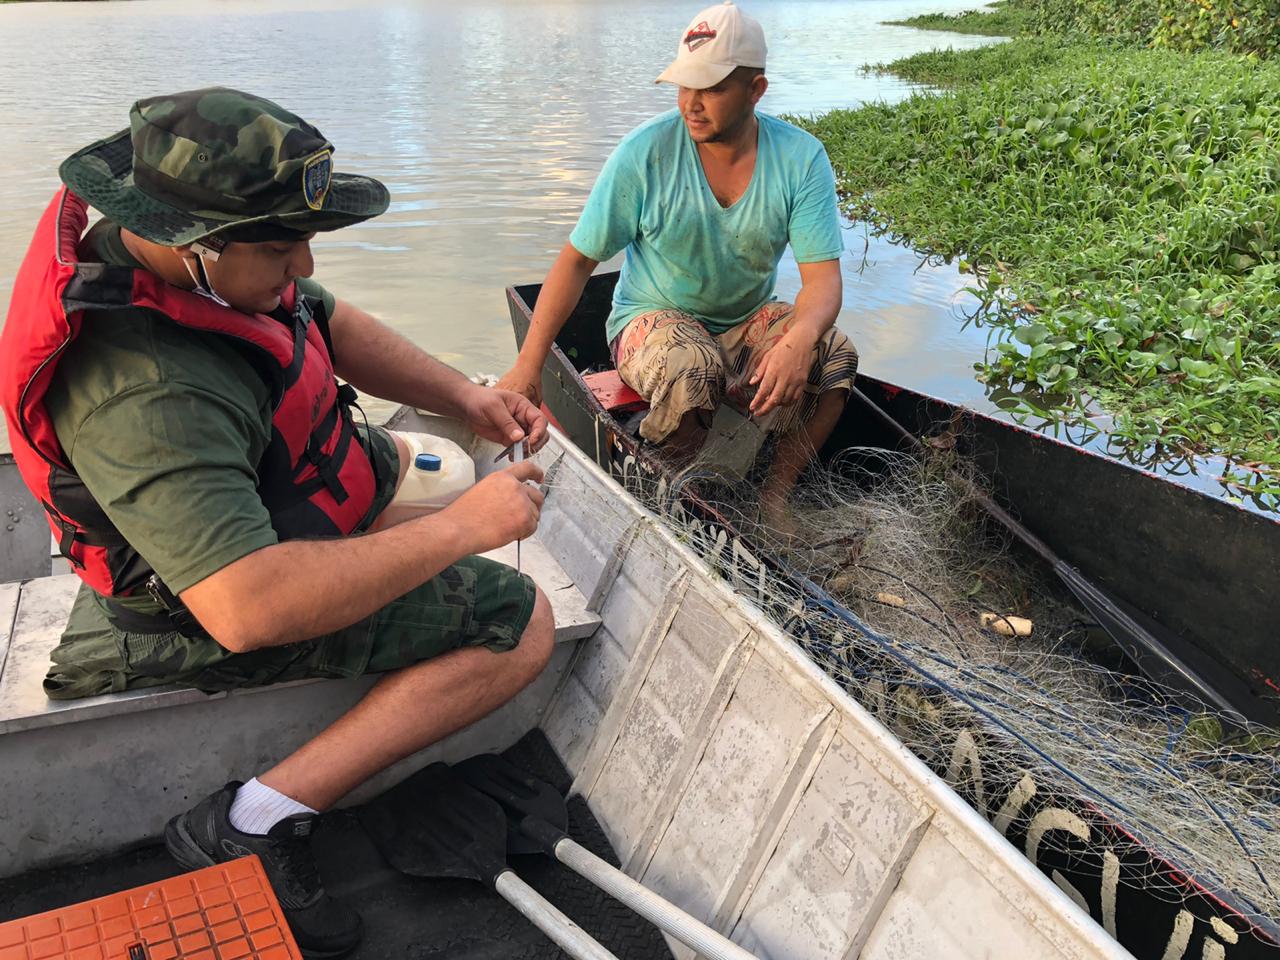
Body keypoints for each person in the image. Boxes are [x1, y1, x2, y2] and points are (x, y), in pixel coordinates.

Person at [0, 88, 554, 958]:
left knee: (450, 468)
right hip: (205, 601)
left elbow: (321, 318)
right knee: (522, 621)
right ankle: (252, 819)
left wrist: (467, 396)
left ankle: (433, 497)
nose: (301, 265)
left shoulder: (212, 269)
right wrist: (461, 533)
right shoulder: (147, 390)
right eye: (282, 245)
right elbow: (246, 606)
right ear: (198, 242)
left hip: (287, 488)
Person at [498, 0, 858, 527]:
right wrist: (529, 366)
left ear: (755, 90)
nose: (692, 103)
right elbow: (577, 261)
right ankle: (679, 498)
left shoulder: (800, 159)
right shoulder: (646, 153)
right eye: (685, 85)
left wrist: (799, 342)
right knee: (694, 368)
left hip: (742, 322)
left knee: (834, 355)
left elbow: (823, 281)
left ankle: (772, 498)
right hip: (650, 321)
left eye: (711, 88)